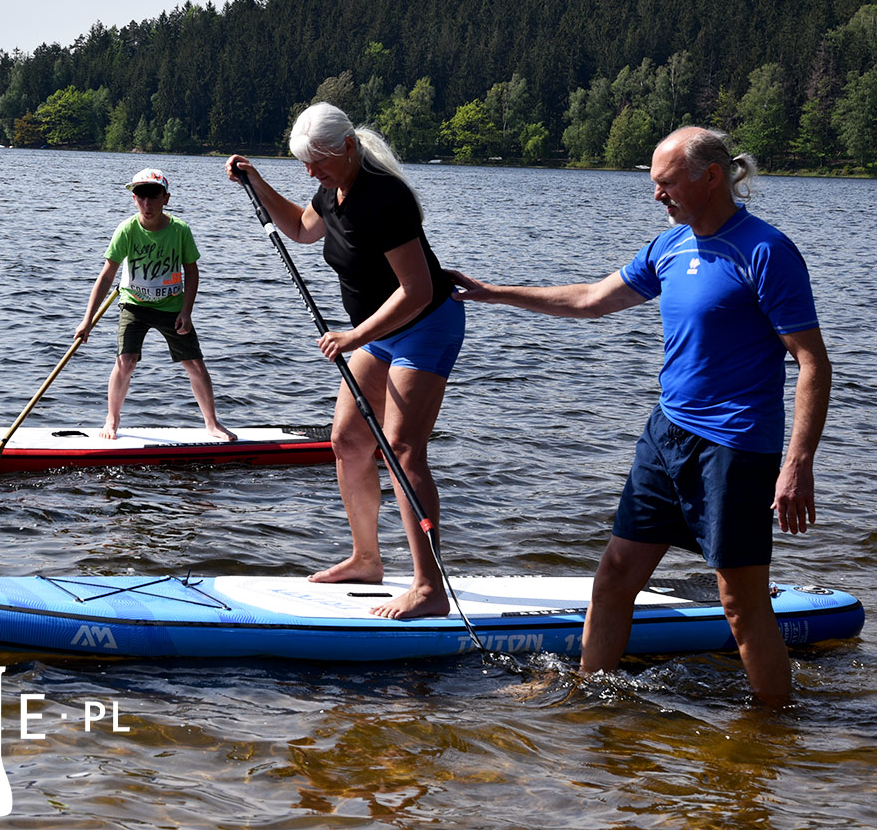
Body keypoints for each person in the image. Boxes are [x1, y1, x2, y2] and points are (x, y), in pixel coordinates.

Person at [451, 126, 831, 703]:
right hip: (667, 435)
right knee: (615, 578)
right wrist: (493, 292)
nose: (658, 196)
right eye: (654, 184)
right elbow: (590, 300)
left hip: (735, 446)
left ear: (711, 176)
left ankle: (775, 730)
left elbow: (812, 361)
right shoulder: (669, 248)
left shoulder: (766, 251)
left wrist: (798, 462)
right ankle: (585, 696)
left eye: (667, 183)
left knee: (739, 603)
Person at [226, 102, 465, 620]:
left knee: (403, 451)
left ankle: (429, 588)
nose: (310, 172)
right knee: (349, 441)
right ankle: (366, 559)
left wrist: (354, 335)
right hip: (379, 335)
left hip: (426, 325)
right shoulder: (332, 189)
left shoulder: (386, 197)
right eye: (304, 164)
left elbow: (419, 290)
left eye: (318, 162)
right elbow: (302, 229)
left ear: (349, 149)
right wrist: (257, 182)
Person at [75, 167, 233, 441]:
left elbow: (192, 272)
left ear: (166, 199)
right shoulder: (126, 230)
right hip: (134, 305)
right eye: (140, 197)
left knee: (194, 363)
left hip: (172, 307)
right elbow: (106, 275)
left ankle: (212, 423)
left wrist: (187, 311)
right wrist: (87, 319)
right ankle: (112, 420)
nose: (147, 204)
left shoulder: (180, 230)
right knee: (125, 362)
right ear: (134, 198)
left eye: (153, 197)